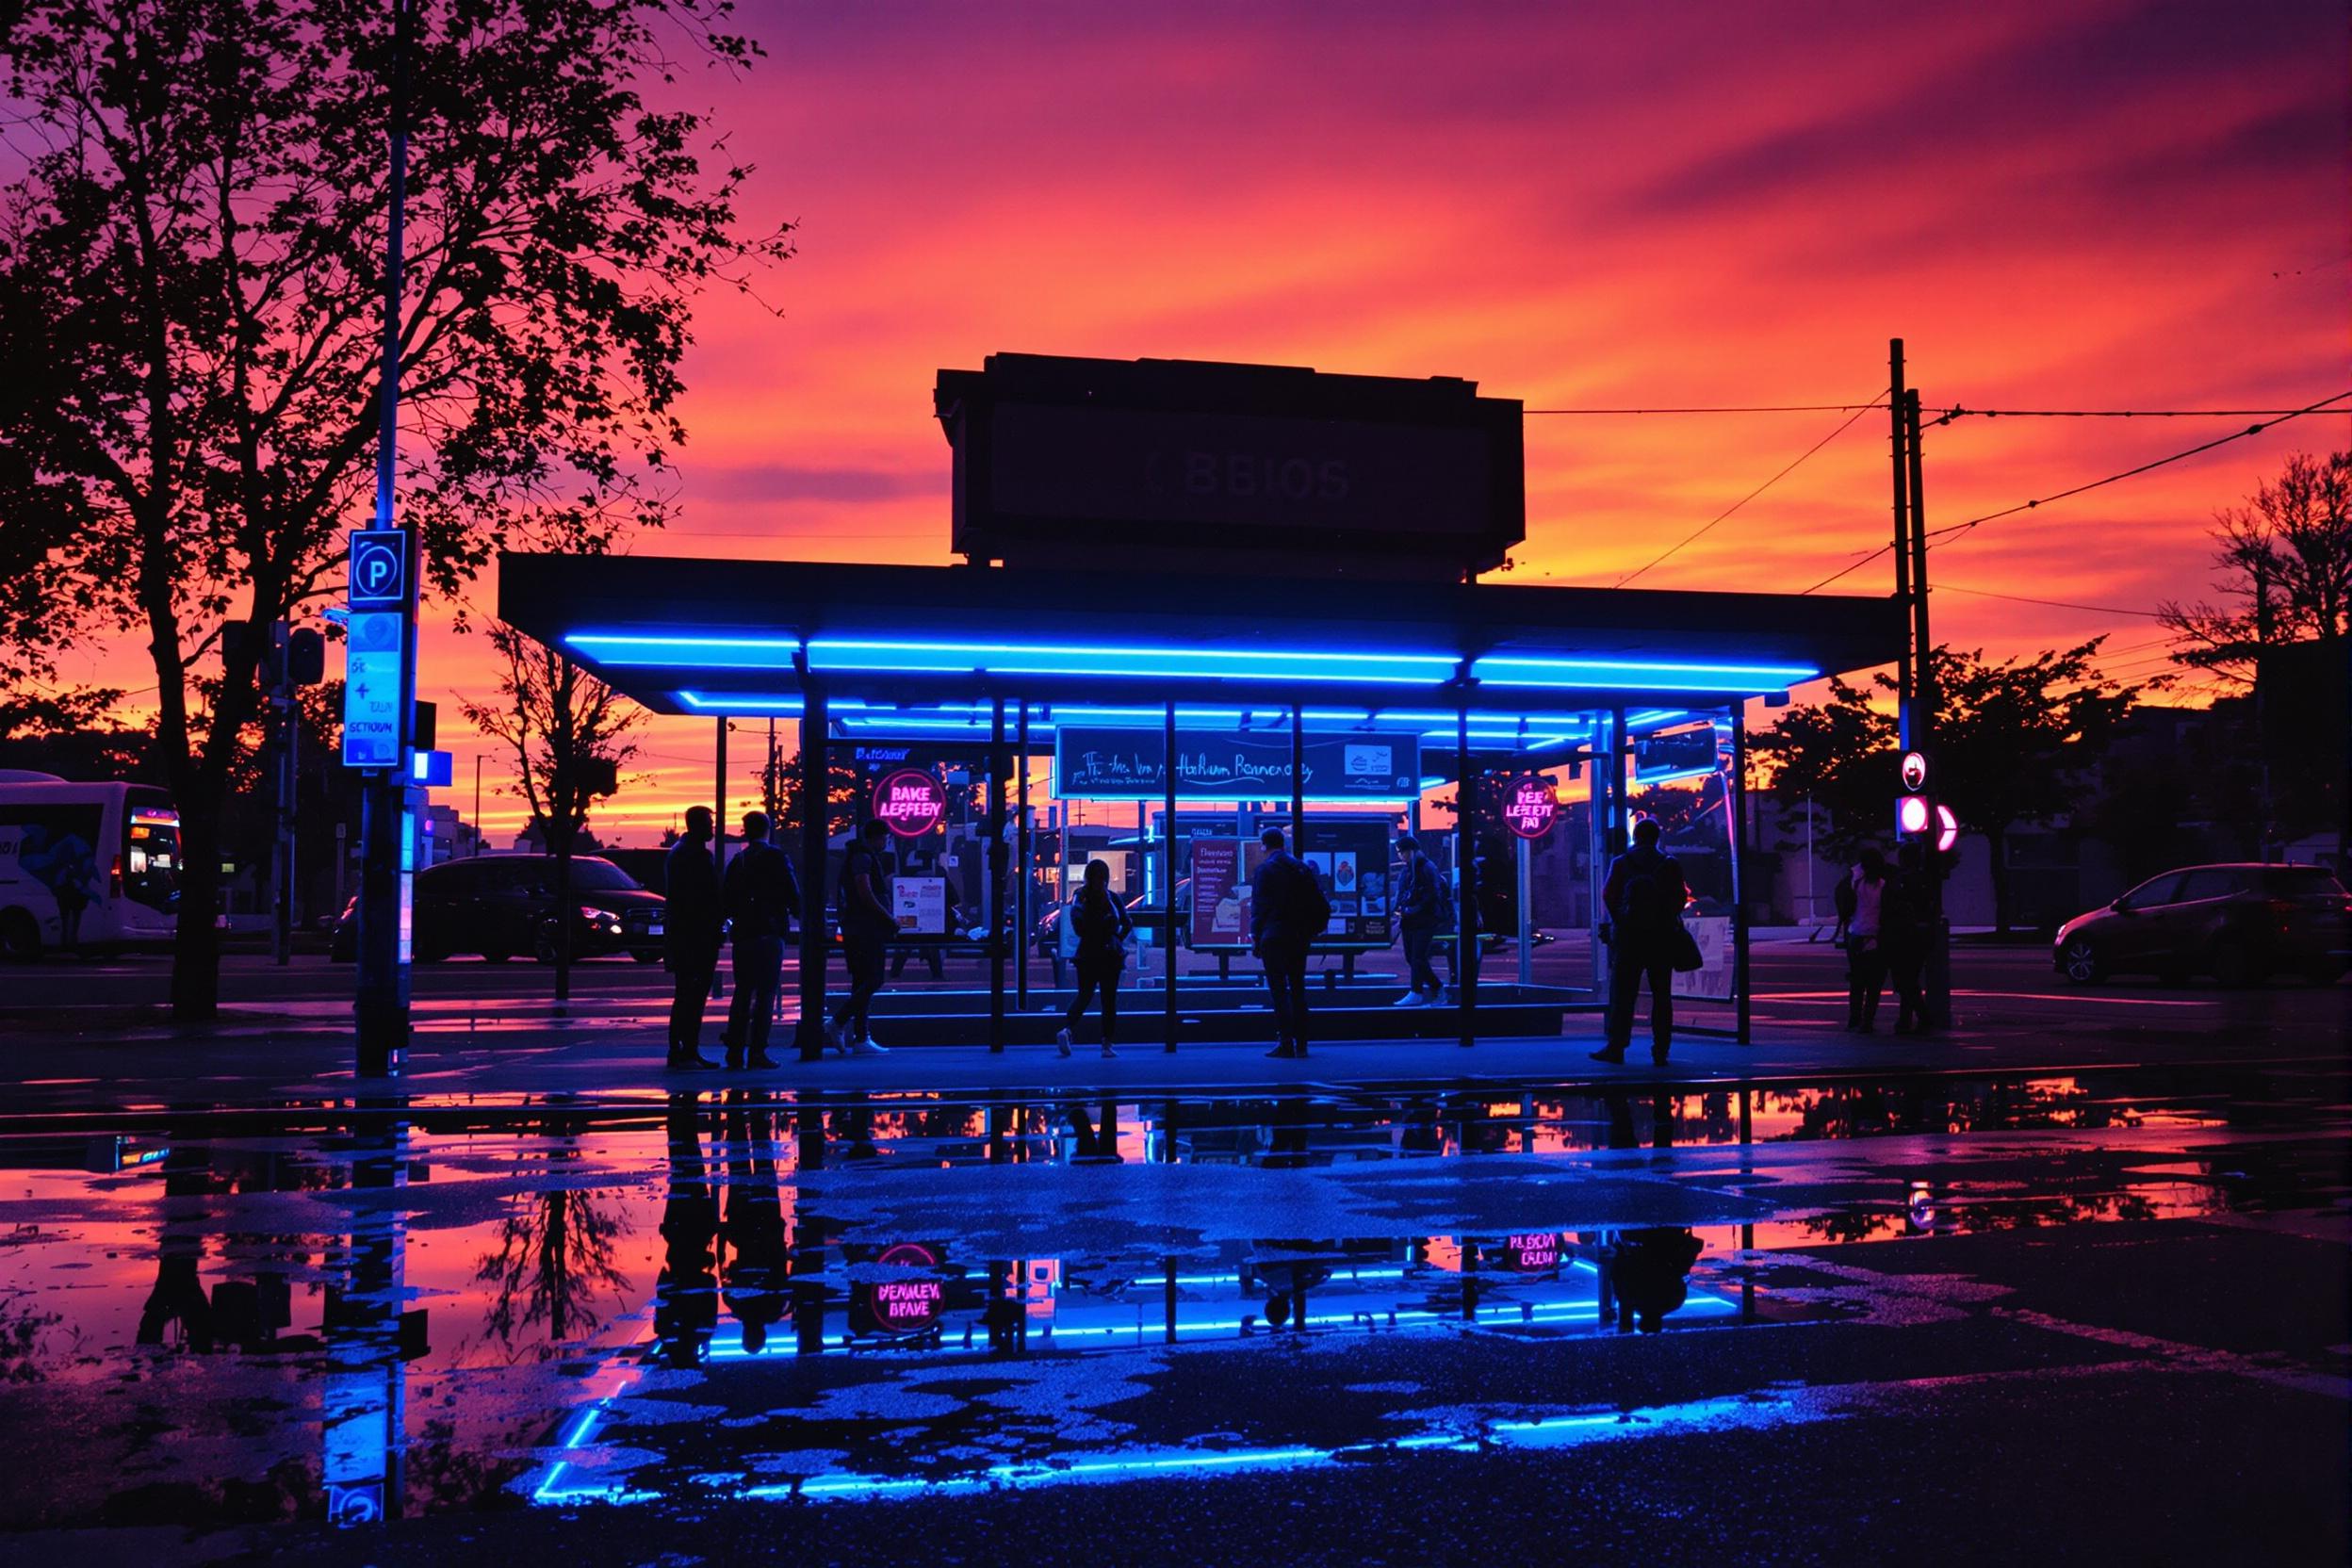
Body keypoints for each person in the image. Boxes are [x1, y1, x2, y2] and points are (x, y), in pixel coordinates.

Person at [1592, 817, 1688, 1065]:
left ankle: (1617, 1046)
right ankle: (1661, 1049)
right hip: (1661, 937)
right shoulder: (1669, 864)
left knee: (1623, 994)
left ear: (1635, 836)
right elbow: (1680, 898)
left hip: (1629, 938)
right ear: (1657, 838)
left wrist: (1621, 922)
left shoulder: (1621, 863)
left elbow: (1609, 895)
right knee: (1661, 995)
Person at [719, 809, 801, 1070]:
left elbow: (727, 898)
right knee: (766, 992)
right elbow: (792, 891)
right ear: (768, 829)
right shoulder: (777, 857)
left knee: (743, 991)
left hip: (744, 933)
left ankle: (735, 1050)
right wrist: (798, 912)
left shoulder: (739, 861)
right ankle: (757, 1051)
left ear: (745, 830)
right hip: (770, 930)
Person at [1250, 827, 1329, 1059]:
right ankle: (1302, 1042)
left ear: (1265, 845)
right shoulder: (1301, 867)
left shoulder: (1265, 869)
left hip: (1273, 936)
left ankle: (1285, 1041)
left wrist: (1255, 936)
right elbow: (1317, 901)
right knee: (1297, 987)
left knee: (1278, 989)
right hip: (1298, 936)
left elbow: (1259, 907)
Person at [662, 807, 723, 1070]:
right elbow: (706, 897)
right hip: (696, 936)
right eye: (709, 823)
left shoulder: (679, 853)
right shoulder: (695, 856)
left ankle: (682, 1049)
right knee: (693, 995)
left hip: (685, 934)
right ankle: (687, 1050)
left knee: (685, 994)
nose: (712, 828)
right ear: (698, 825)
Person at [829, 819, 895, 1055]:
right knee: (875, 978)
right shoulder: (864, 858)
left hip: (855, 927)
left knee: (861, 980)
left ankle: (860, 1036)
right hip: (867, 928)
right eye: (886, 837)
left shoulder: (855, 855)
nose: (887, 842)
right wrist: (887, 917)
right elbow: (865, 891)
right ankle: (840, 1021)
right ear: (878, 837)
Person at [1055, 858, 1132, 1058]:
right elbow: (1127, 922)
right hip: (1110, 954)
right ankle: (1106, 1044)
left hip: (1088, 952)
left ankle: (1068, 1029)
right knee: (1109, 1000)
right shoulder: (1112, 898)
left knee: (1084, 994)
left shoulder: (1080, 896)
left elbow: (1078, 925)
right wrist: (1117, 939)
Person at [1390, 834, 1446, 1006]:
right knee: (1412, 957)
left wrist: (1414, 908)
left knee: (1417, 957)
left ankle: (1421, 990)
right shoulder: (1409, 869)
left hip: (1424, 919)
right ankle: (1423, 991)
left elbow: (1432, 893)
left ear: (1411, 851)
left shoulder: (1427, 868)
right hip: (1411, 918)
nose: (1400, 856)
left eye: (1402, 852)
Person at [1839, 847, 1889, 1033]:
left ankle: (1854, 1018)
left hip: (1857, 933)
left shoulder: (1855, 884)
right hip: (1875, 936)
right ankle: (1868, 1019)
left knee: (1857, 982)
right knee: (1874, 984)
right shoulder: (1884, 886)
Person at [1886, 842, 1933, 1034]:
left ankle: (1919, 1017)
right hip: (1919, 936)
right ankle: (1907, 1019)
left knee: (1905, 981)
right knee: (1910, 980)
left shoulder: (1901, 881)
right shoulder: (1925, 880)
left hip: (1903, 936)